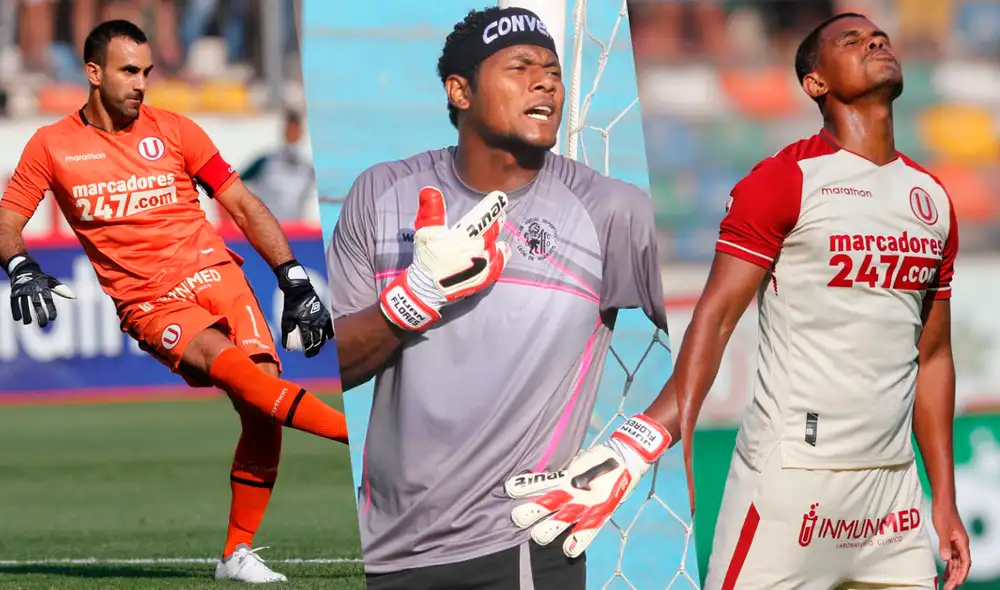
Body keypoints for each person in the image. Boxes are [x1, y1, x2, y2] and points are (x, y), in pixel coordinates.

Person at [324, 6, 671, 590]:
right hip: (383, 552)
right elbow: (331, 365)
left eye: (553, 72)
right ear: (459, 91)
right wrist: (412, 300)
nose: (546, 83)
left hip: (520, 545)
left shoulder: (611, 212)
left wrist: (637, 444)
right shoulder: (383, 193)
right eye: (521, 67)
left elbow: (716, 329)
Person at [0, 20, 347, 584]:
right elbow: (8, 219)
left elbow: (241, 202)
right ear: (93, 73)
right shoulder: (52, 146)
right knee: (232, 370)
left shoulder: (178, 130)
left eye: (146, 72)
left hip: (216, 276)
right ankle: (364, 442)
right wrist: (18, 263)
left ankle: (236, 554)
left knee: (262, 414)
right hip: (151, 302)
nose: (141, 84)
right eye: (128, 71)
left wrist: (294, 278)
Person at [639, 12, 972, 590]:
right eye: (851, 39)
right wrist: (678, 440)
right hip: (791, 488)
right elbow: (715, 319)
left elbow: (934, 355)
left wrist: (942, 496)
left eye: (879, 36)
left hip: (893, 500)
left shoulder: (932, 197)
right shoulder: (784, 180)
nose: (875, 40)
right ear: (815, 82)